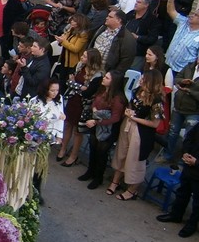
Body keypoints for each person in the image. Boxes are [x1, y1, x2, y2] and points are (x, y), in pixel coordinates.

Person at [107, 70, 164, 201]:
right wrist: (129, 111)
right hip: (127, 124)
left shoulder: (157, 100)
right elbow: (132, 104)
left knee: (134, 159)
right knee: (121, 153)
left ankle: (132, 190)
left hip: (141, 131)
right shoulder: (138, 90)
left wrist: (135, 118)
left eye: (144, 79)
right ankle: (115, 181)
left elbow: (155, 123)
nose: (141, 80)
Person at [76, 71, 126, 189]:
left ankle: (98, 178)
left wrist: (97, 121)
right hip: (96, 124)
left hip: (107, 130)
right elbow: (95, 101)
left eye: (107, 78)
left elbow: (115, 117)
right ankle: (90, 172)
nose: (104, 78)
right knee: (93, 148)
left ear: (113, 82)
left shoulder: (118, 99)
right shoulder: (102, 91)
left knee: (102, 153)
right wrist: (94, 109)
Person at [59, 49, 103, 166]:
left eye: (84, 56)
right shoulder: (79, 66)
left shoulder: (98, 75)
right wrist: (80, 86)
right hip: (73, 100)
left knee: (78, 131)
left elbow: (87, 93)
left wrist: (75, 85)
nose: (81, 57)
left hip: (83, 105)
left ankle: (74, 155)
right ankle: (63, 149)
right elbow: (69, 81)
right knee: (68, 124)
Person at [156, 122, 199, 238]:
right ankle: (176, 215)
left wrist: (196, 162)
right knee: (182, 193)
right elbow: (189, 137)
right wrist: (185, 153)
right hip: (189, 168)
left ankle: (191, 225)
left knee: (197, 203)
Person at [158, 54, 199, 164]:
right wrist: (182, 81)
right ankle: (167, 155)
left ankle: (184, 159)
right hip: (178, 107)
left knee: (189, 137)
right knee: (172, 133)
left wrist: (190, 92)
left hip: (194, 111)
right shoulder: (189, 67)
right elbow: (177, 78)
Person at [88, 9, 137, 74]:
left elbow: (125, 61)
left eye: (110, 17)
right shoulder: (102, 28)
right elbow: (91, 44)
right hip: (89, 67)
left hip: (104, 73)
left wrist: (113, 75)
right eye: (108, 16)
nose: (106, 18)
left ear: (119, 20)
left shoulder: (127, 38)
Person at [164, 0, 199, 73]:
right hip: (166, 64)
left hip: (180, 72)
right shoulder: (183, 22)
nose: (191, 16)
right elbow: (171, 11)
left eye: (196, 15)